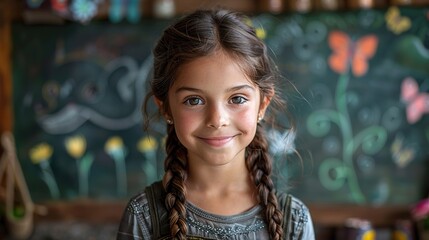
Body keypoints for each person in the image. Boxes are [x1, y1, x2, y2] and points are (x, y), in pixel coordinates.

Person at [117, 8, 315, 240]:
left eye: (237, 99)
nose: (217, 120)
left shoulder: (294, 220)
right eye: (194, 100)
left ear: (262, 104)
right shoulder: (144, 217)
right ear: (166, 108)